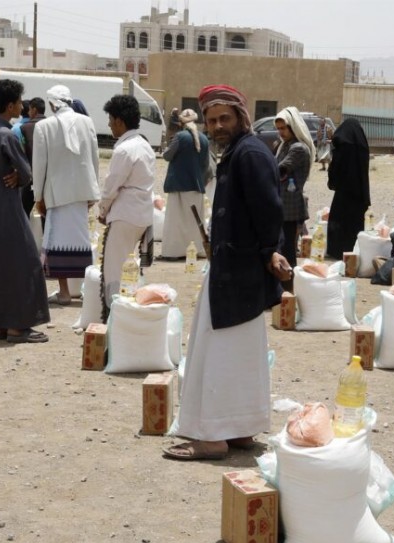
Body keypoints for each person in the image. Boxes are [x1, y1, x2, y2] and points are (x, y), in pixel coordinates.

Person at [163, 84, 291, 461]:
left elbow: (269, 208)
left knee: (218, 353)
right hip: (232, 268)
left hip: (239, 272)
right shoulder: (237, 152)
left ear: (240, 117)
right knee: (238, 353)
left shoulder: (249, 153)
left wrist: (271, 252)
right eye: (211, 120)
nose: (217, 125)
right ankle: (239, 428)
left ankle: (212, 437)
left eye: (224, 118)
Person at [0, 79, 50, 344]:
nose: (22, 106)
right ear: (11, 105)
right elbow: (26, 173)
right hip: (8, 208)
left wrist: (15, 174)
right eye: (19, 102)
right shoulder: (7, 134)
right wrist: (19, 175)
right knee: (25, 263)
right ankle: (17, 327)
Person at [32, 85, 100, 306]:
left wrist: (38, 197)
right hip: (81, 192)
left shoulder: (44, 126)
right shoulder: (87, 122)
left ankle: (64, 291)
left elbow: (39, 166)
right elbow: (94, 158)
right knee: (82, 240)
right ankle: (86, 291)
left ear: (52, 104)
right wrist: (93, 190)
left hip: (57, 194)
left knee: (56, 241)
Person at [98, 95, 156, 312]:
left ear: (120, 121)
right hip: (141, 215)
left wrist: (103, 210)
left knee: (113, 269)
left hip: (124, 214)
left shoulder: (124, 149)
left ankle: (112, 314)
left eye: (111, 120)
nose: (109, 125)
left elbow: (111, 185)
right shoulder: (145, 145)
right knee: (130, 268)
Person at [161, 108, 210, 260]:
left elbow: (167, 156)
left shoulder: (180, 137)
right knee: (194, 222)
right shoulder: (204, 139)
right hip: (196, 185)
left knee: (176, 221)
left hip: (179, 185)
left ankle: (174, 252)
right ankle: (196, 250)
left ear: (181, 122)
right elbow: (205, 165)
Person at [274, 106, 314, 279]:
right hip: (282, 204)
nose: (281, 132)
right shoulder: (286, 145)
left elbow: (279, 169)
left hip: (290, 208)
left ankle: (289, 286)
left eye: (284, 128)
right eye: (279, 129)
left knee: (288, 249)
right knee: (281, 247)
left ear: (293, 127)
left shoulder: (298, 148)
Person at [326, 117, 370, 259]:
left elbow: (336, 168)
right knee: (354, 224)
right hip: (359, 192)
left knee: (339, 221)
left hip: (343, 192)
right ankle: (352, 252)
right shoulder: (362, 146)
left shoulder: (343, 145)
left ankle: (337, 251)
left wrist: (333, 180)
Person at [19, 97, 47, 220]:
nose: (29, 113)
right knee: (46, 216)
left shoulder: (25, 127)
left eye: (29, 110)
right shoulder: (52, 125)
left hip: (31, 178)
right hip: (48, 179)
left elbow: (22, 154)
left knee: (23, 212)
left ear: (34, 110)